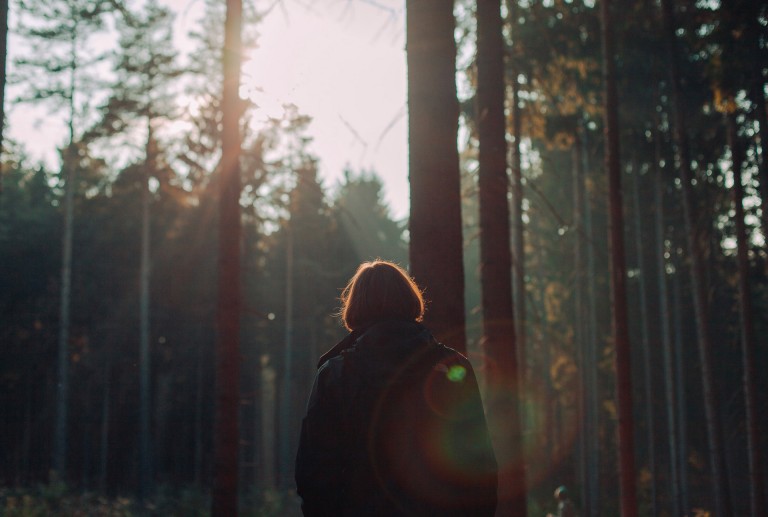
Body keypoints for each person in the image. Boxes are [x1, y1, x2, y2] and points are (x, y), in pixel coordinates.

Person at [295, 260, 498, 516]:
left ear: (355, 307)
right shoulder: (453, 369)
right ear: (410, 300)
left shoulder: (335, 374)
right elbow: (479, 465)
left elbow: (315, 471)